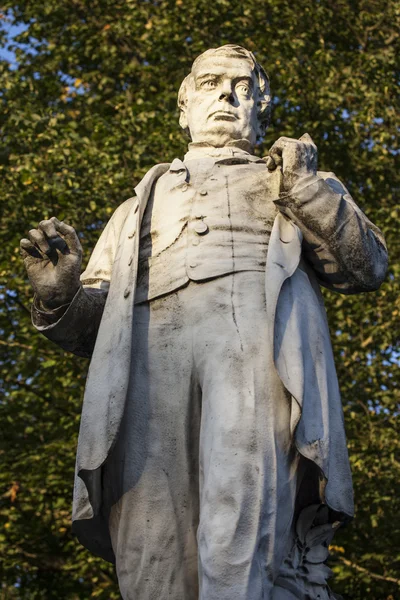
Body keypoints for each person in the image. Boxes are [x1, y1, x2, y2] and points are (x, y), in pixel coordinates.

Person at [20, 45, 388, 600]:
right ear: (184, 104)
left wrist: (306, 186)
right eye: (211, 83)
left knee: (239, 515)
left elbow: (366, 265)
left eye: (241, 87)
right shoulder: (135, 207)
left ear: (259, 108)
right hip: (148, 355)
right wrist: (60, 296)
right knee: (150, 542)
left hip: (254, 345)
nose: (225, 94)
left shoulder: (290, 182)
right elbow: (92, 323)